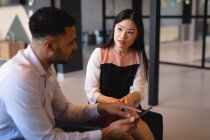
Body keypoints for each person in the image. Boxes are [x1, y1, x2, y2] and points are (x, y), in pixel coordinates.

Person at [0, 7, 142, 140]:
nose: (76, 47)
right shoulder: (19, 79)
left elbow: (64, 110)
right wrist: (106, 133)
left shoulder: (47, 67)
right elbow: (45, 138)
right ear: (49, 46)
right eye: (71, 42)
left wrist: (104, 107)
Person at [85, 9, 154, 140]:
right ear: (114, 28)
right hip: (103, 108)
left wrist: (129, 99)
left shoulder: (138, 56)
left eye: (130, 32)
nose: (123, 36)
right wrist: (116, 103)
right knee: (127, 135)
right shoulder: (99, 53)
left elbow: (138, 90)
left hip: (128, 106)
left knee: (138, 125)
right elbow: (91, 92)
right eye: (120, 29)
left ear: (137, 35)